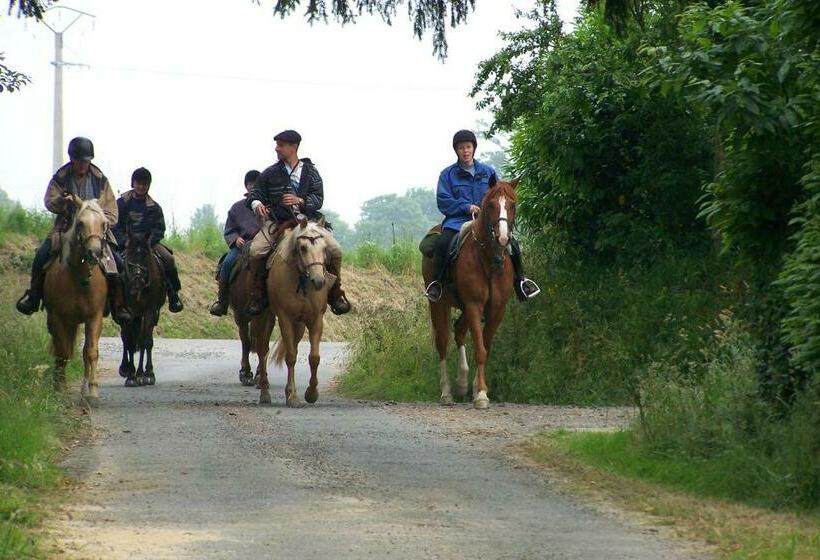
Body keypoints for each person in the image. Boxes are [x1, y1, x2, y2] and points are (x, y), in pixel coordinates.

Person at [16, 137, 131, 322]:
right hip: (65, 227)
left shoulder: (101, 180)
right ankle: (33, 296)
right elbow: (49, 201)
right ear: (72, 159)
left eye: (86, 161)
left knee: (116, 262)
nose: (83, 165)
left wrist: (103, 221)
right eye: (79, 161)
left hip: (94, 230)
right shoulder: (60, 178)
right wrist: (62, 201)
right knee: (41, 257)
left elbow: (111, 210)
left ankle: (118, 305)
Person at [424, 129, 540, 302]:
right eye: (461, 147)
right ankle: (437, 284)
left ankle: (521, 282)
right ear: (456, 150)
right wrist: (466, 207)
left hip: (485, 221)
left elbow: (500, 194)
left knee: (512, 243)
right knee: (442, 243)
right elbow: (443, 201)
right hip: (457, 222)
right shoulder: (447, 175)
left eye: (468, 147)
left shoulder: (488, 172)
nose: (465, 151)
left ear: (473, 148)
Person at [244, 129, 350, 316]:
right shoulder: (269, 173)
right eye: (277, 145)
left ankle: (335, 293)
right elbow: (255, 193)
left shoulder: (311, 172)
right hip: (279, 221)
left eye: (281, 145)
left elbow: (318, 198)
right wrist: (257, 203)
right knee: (254, 251)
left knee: (336, 250)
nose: (277, 149)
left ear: (294, 147)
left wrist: (300, 200)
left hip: (310, 222)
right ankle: (258, 294)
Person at [111, 167, 183, 313]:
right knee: (110, 262)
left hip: (148, 244)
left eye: (144, 184)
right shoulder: (121, 204)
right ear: (133, 183)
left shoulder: (155, 207)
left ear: (148, 186)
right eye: (138, 183)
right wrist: (123, 241)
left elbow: (159, 228)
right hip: (126, 243)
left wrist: (149, 241)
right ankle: (110, 298)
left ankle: (173, 294)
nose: (141, 187)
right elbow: (114, 225)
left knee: (168, 259)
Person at [208, 169, 262, 316]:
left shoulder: (266, 207)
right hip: (241, 246)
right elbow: (229, 229)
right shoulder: (237, 208)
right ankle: (222, 301)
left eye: (256, 184)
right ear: (246, 186)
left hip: (263, 246)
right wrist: (235, 238)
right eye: (250, 184)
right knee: (226, 263)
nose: (252, 187)